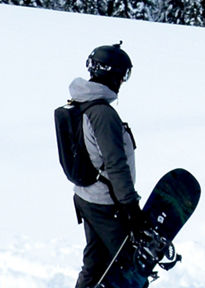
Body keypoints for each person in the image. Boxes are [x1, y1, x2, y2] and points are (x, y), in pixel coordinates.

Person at [65, 43, 142, 288]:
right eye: (123, 75)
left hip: (86, 197)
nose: (122, 82)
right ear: (113, 74)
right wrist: (130, 205)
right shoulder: (103, 114)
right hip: (106, 204)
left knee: (96, 263)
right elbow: (115, 163)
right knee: (130, 267)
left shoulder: (81, 102)